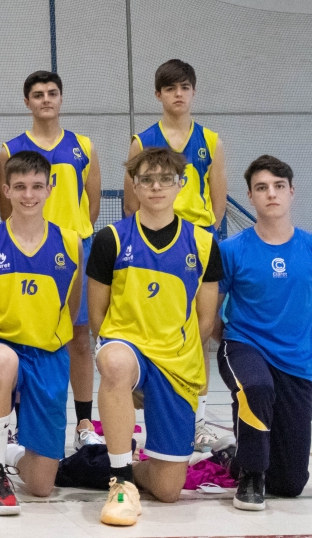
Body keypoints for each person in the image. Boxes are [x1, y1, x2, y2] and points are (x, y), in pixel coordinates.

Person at [89, 147, 222, 526]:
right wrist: (122, 370)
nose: (156, 186)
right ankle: (120, 481)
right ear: (134, 185)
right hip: (126, 347)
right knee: (115, 362)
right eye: (146, 179)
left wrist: (172, 357)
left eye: (166, 179)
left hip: (175, 361)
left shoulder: (204, 243)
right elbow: (97, 316)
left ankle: (117, 469)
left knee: (168, 490)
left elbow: (205, 320)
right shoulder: (111, 239)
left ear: (181, 184)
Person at [0, 151, 82, 514]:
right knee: (3, 359)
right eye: (20, 186)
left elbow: (71, 307)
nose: (29, 195)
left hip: (48, 357)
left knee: (42, 485)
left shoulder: (71, 243)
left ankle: (3, 451)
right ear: (6, 190)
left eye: (37, 186)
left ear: (50, 188)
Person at [217, 155, 312, 510]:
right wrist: (228, 342)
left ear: (291, 192)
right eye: (261, 187)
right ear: (250, 196)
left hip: (296, 361)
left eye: (278, 186)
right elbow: (212, 309)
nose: (271, 193)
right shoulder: (231, 250)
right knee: (256, 386)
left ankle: (232, 456)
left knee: (290, 484)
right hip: (244, 345)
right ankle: (250, 475)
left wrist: (293, 338)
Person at [125, 59, 227, 449]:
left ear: (194, 92)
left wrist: (199, 238)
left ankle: (197, 420)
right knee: (151, 329)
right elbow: (132, 203)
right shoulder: (143, 140)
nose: (178, 94)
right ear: (158, 94)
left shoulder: (211, 141)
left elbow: (217, 202)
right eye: (170, 88)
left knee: (199, 330)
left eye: (184, 87)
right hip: (153, 245)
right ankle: (144, 416)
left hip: (195, 242)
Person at [0, 70, 100, 451]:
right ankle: (17, 423)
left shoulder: (83, 146)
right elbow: (4, 205)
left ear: (61, 98)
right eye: (38, 94)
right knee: (24, 338)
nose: (46, 99)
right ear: (27, 102)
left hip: (71, 252)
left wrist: (70, 238)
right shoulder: (10, 149)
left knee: (79, 337)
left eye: (52, 93)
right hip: (26, 254)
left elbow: (91, 204)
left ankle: (85, 423)